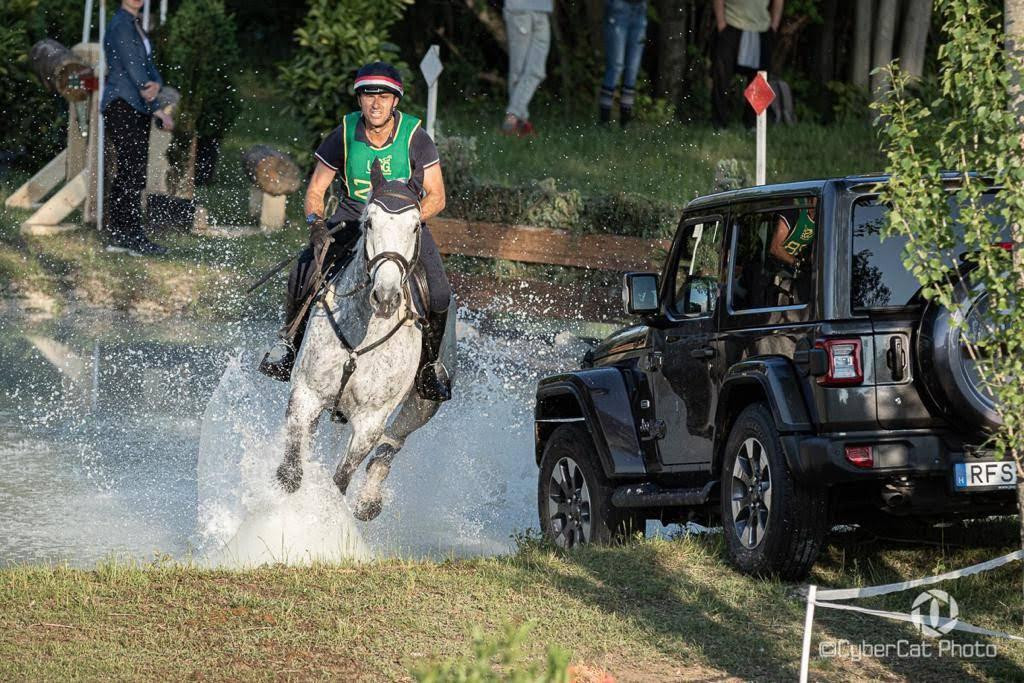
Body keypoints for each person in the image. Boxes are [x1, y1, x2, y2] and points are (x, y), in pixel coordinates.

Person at [259, 62, 453, 402]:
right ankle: (289, 345)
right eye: (368, 96)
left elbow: (437, 195)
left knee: (438, 294)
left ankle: (427, 367)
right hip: (352, 216)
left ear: (396, 101)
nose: (375, 104)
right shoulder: (344, 134)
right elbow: (316, 190)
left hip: (404, 225)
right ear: (359, 100)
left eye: (383, 96)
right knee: (303, 270)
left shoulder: (416, 137)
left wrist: (401, 220)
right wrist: (316, 224)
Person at [101, 0, 173, 255]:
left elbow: (148, 63)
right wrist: (150, 92)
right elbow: (133, 66)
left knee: (132, 170)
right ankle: (131, 237)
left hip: (136, 104)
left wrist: (156, 83)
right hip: (122, 103)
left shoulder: (136, 24)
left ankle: (122, 236)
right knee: (131, 171)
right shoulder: (121, 23)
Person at [711, 0, 784, 129]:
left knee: (759, 81)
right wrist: (721, 24)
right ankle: (719, 124)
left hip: (762, 28)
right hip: (732, 25)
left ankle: (754, 124)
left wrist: (774, 25)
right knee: (722, 77)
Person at [501, 0, 553, 137]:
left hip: (542, 8)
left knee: (537, 70)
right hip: (520, 9)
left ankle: (515, 117)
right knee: (519, 70)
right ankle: (519, 123)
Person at [599, 0, 648, 127]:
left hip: (640, 9)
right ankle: (604, 122)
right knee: (616, 66)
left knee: (632, 69)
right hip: (618, 7)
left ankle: (625, 123)